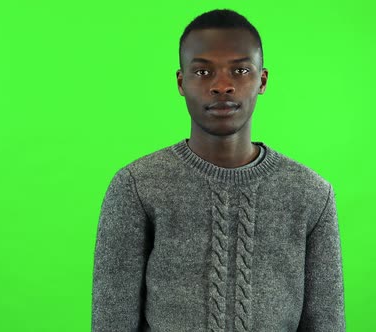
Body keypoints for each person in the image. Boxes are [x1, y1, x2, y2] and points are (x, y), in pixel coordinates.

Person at [91, 8, 345, 332]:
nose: (222, 85)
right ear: (181, 82)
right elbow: (111, 320)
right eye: (202, 72)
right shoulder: (137, 187)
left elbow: (327, 322)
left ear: (262, 80)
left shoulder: (312, 195)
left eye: (240, 70)